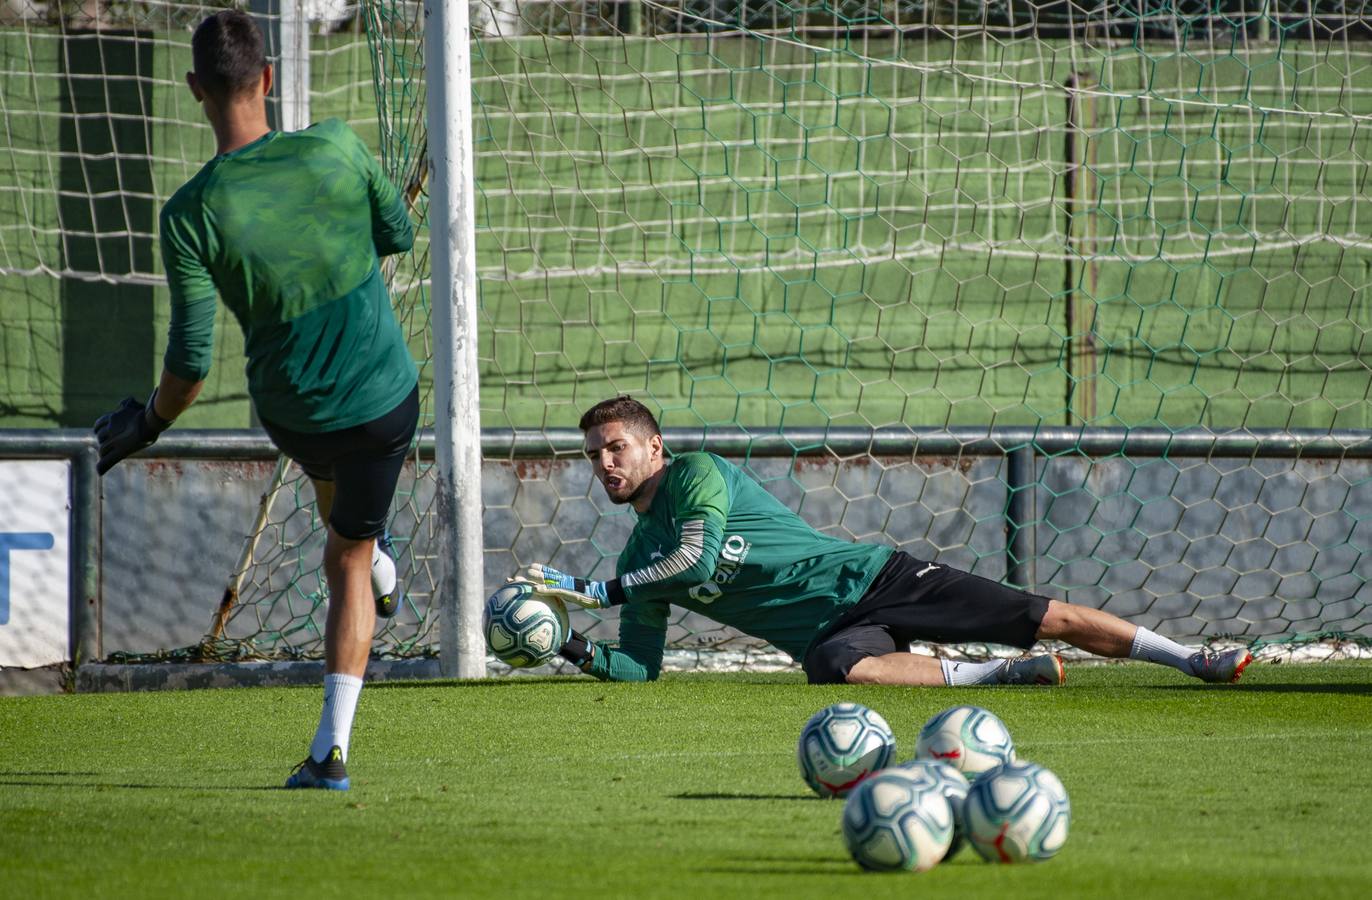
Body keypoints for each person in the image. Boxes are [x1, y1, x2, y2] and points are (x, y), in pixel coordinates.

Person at [92, 10, 418, 790]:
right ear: (268, 78)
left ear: (195, 89)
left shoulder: (191, 212)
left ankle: (368, 582)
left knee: (339, 523)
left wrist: (148, 423)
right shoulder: (338, 144)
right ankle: (331, 746)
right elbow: (399, 233)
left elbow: (192, 364)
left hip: (294, 411)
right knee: (347, 553)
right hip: (383, 401)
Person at [516, 396, 1253, 686]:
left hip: (873, 578)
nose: (605, 463)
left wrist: (592, 592)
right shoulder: (636, 558)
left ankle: (1193, 658)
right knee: (834, 670)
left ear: (654, 447)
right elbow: (643, 667)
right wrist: (569, 645)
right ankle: (998, 678)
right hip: (832, 633)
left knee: (1042, 616)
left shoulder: (695, 476)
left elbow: (699, 561)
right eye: (593, 454)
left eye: (615, 447)